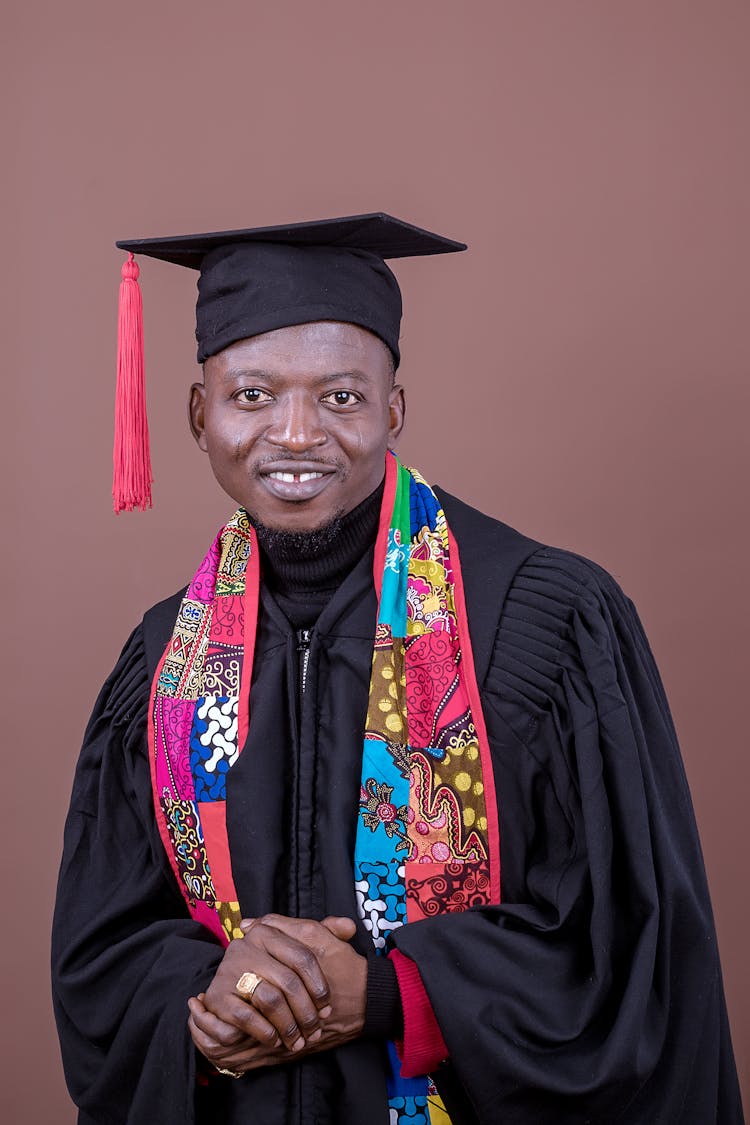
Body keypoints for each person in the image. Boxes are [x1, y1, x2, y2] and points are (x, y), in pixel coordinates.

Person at [52, 214, 743, 1125]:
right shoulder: (163, 658)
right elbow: (105, 956)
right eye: (252, 395)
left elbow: (633, 956)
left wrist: (389, 998)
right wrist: (212, 994)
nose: (294, 434)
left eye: (340, 397)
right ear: (197, 413)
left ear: (394, 409)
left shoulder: (547, 621)